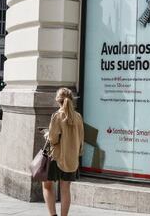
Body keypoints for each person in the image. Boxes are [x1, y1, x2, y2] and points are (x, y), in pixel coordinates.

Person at [42, 88, 84, 216]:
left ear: (57, 100)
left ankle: (53, 215)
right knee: (65, 188)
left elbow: (53, 139)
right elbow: (81, 139)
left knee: (47, 186)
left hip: (57, 157)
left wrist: (46, 134)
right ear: (72, 99)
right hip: (72, 159)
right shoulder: (78, 117)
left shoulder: (57, 116)